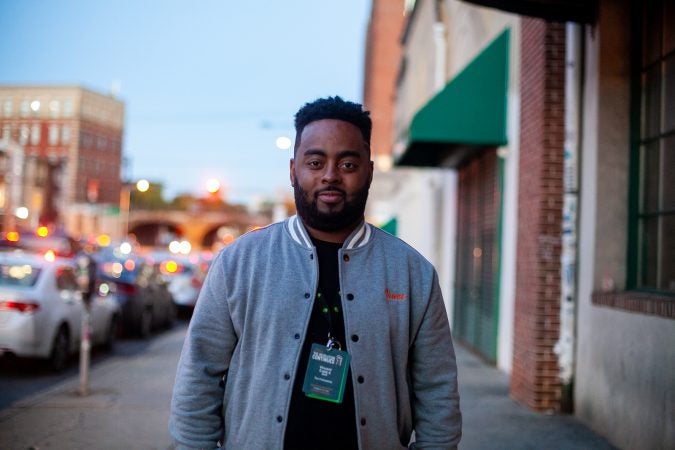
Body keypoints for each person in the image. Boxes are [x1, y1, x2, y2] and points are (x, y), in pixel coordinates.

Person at [170, 96, 461, 449]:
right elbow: (199, 375)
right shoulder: (239, 262)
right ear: (294, 169)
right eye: (315, 161)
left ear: (368, 170)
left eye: (348, 164)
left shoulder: (411, 273)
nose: (330, 176)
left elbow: (437, 390)